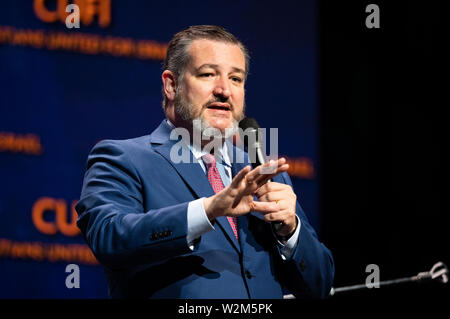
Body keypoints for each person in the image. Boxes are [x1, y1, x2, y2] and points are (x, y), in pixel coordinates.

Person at [75, 25, 334, 299]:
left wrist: (289, 230)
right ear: (171, 85)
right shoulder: (123, 158)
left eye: (236, 79)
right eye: (208, 74)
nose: (224, 90)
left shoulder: (265, 175)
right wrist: (208, 210)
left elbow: (319, 285)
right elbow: (109, 238)